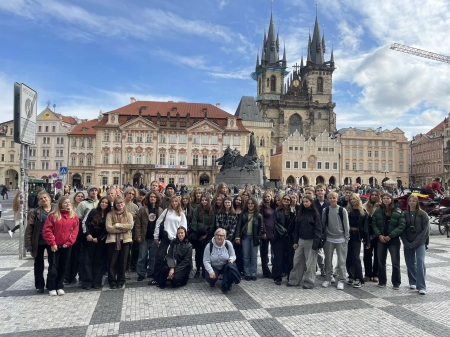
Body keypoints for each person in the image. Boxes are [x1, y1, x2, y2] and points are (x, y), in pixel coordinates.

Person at [42, 196, 79, 296]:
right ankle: (51, 286)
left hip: (66, 246)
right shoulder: (53, 215)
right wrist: (52, 243)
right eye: (65, 203)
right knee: (53, 266)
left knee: (63, 266)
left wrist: (69, 242)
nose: (67, 204)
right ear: (60, 204)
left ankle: (59, 285)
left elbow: (75, 231)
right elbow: (47, 230)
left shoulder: (74, 216)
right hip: (54, 245)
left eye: (69, 203)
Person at [149, 196, 187, 286]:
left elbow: (183, 227)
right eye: (172, 201)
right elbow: (158, 222)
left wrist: (181, 237)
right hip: (166, 237)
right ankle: (156, 278)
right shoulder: (166, 211)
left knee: (174, 258)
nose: (174, 203)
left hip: (176, 238)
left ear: (178, 203)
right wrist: (156, 235)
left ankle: (172, 276)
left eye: (176, 202)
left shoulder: (181, 213)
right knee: (159, 257)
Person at [372, 192, 406, 289]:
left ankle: (396, 282)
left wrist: (391, 235)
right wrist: (379, 235)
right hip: (381, 239)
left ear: (391, 199)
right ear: (382, 200)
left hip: (393, 240)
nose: (386, 200)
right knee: (381, 261)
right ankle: (382, 281)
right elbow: (374, 224)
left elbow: (401, 225)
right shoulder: (378, 211)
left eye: (388, 198)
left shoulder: (398, 211)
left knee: (395, 262)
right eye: (384, 198)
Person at [24, 191, 56, 293]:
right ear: (39, 201)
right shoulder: (35, 212)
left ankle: (51, 284)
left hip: (53, 241)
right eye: (41, 198)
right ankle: (39, 285)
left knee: (53, 263)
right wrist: (28, 245)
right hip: (39, 240)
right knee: (38, 264)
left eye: (45, 198)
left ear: (49, 198)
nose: (43, 200)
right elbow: (29, 229)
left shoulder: (56, 210)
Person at [287, 195, 321, 288]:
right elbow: (296, 229)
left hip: (311, 241)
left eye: (307, 201)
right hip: (301, 240)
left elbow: (318, 230)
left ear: (311, 202)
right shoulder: (300, 213)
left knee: (310, 264)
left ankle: (309, 282)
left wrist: (315, 245)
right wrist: (295, 241)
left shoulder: (315, 214)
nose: (305, 203)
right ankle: (294, 280)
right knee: (297, 261)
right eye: (304, 202)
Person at [401, 195, 429, 294]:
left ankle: (421, 286)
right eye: (410, 201)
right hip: (407, 242)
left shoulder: (423, 214)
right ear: (408, 202)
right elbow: (402, 229)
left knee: (420, 261)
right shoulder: (404, 214)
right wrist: (405, 242)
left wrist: (416, 242)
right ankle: (413, 281)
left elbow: (425, 230)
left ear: (417, 202)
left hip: (420, 242)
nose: (412, 203)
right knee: (410, 262)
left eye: (414, 201)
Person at [321, 192, 350, 290]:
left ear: (337, 199)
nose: (332, 200)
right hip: (329, 238)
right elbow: (323, 223)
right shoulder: (326, 210)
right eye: (330, 198)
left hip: (341, 238)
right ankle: (328, 278)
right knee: (328, 260)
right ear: (328, 199)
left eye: (334, 198)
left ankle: (341, 279)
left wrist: (346, 238)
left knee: (341, 261)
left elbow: (346, 225)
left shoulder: (342, 210)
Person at [81, 196, 110, 289]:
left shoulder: (108, 214)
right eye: (102, 202)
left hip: (100, 241)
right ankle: (87, 282)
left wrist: (99, 238)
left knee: (99, 262)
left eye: (106, 203)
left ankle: (97, 282)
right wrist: (87, 234)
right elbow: (84, 222)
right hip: (89, 240)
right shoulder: (92, 211)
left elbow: (107, 229)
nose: (104, 204)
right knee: (87, 261)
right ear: (99, 202)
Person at [105, 196, 134, 289]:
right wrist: (122, 228)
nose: (120, 205)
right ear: (115, 205)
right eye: (118, 203)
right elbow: (108, 228)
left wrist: (117, 225)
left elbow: (130, 226)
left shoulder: (128, 214)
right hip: (112, 240)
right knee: (112, 262)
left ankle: (121, 280)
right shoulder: (110, 214)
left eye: (121, 203)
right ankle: (112, 281)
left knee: (123, 262)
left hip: (125, 240)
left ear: (124, 204)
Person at [135, 192, 163, 281]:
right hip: (144, 236)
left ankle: (151, 272)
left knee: (153, 256)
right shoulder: (143, 209)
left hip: (154, 237)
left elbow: (162, 224)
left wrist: (160, 236)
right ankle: (141, 273)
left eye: (154, 197)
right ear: (148, 198)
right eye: (151, 197)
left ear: (157, 199)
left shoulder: (160, 210)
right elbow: (138, 224)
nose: (153, 198)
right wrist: (138, 235)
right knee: (142, 256)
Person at [203, 228, 240, 294]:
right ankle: (212, 281)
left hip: (225, 265)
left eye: (221, 235)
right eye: (218, 235)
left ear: (224, 237)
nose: (219, 237)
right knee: (211, 278)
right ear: (215, 236)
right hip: (214, 266)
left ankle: (227, 284)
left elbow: (233, 255)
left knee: (231, 267)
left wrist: (231, 259)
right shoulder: (209, 245)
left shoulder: (228, 244)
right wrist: (210, 271)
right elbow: (206, 261)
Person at [235, 196, 263, 281]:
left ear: (255, 205)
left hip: (254, 238)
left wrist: (258, 236)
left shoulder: (258, 215)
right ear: (247, 205)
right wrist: (237, 237)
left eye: (252, 203)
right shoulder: (243, 214)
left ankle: (253, 273)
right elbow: (239, 226)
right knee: (246, 256)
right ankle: (247, 273)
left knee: (254, 256)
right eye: (249, 203)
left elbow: (261, 228)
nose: (250, 205)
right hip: (245, 237)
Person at [345, 193, 370, 288]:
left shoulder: (363, 211)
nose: (352, 201)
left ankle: (359, 278)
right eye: (351, 199)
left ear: (358, 199)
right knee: (348, 257)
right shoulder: (347, 210)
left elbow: (366, 228)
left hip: (357, 236)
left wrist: (367, 241)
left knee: (356, 257)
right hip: (348, 235)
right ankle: (351, 275)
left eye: (354, 199)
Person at [272, 194, 296, 285]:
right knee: (279, 257)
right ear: (282, 200)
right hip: (279, 237)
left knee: (290, 258)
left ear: (290, 201)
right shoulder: (277, 210)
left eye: (288, 199)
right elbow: (276, 224)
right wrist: (283, 232)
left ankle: (290, 276)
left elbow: (294, 225)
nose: (286, 200)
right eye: (284, 199)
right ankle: (277, 277)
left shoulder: (292, 211)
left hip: (289, 237)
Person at [189, 195, 215, 278]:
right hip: (198, 236)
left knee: (206, 254)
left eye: (205, 200)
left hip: (207, 236)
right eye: (202, 200)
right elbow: (194, 222)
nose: (204, 202)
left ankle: (204, 270)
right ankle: (198, 270)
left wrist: (206, 234)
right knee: (198, 253)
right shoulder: (197, 209)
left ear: (208, 201)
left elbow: (212, 224)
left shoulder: (211, 210)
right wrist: (199, 234)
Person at [363, 190, 381, 283]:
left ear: (378, 196)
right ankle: (367, 274)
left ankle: (375, 274)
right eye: (372, 195)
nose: (374, 196)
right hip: (367, 234)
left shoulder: (381, 207)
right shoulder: (365, 206)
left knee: (378, 255)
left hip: (378, 235)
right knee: (367, 255)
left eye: (375, 195)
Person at [314, 184, 330, 276]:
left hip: (326, 230)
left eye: (322, 190)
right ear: (316, 192)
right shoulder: (313, 203)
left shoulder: (328, 203)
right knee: (318, 252)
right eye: (318, 190)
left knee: (328, 253)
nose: (320, 192)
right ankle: (321, 268)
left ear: (325, 191)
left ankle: (328, 270)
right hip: (316, 230)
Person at [259, 192, 275, 278]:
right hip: (266, 232)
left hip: (273, 231)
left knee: (274, 252)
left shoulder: (273, 206)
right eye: (266, 197)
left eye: (268, 196)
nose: (267, 198)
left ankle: (275, 270)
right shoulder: (261, 207)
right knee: (264, 253)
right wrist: (263, 232)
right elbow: (261, 220)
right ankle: (265, 271)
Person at [232, 195, 245, 275]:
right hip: (231, 233)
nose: (238, 201)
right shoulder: (232, 209)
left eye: (240, 200)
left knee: (239, 253)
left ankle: (241, 269)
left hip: (240, 234)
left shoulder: (243, 211)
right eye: (237, 199)